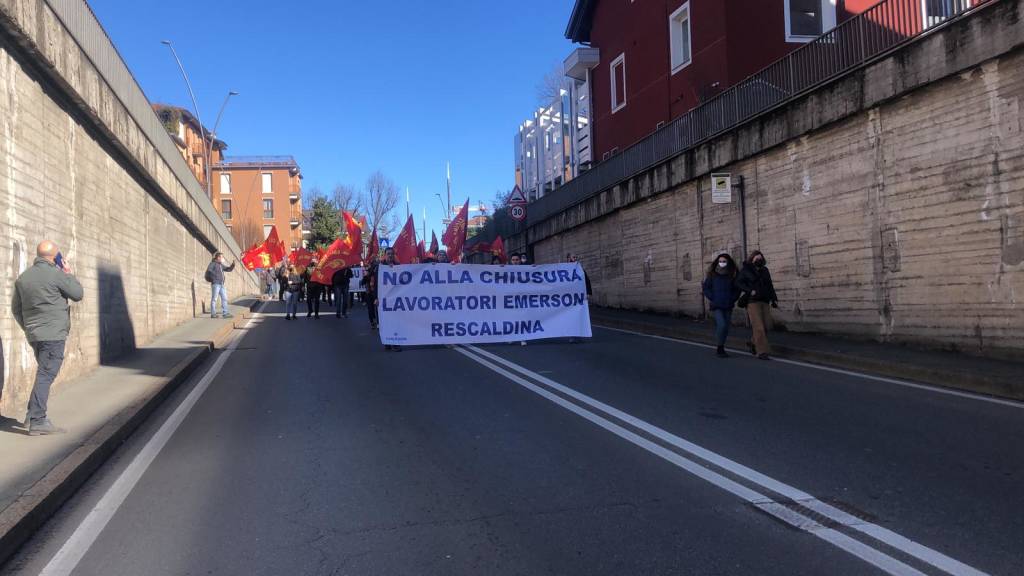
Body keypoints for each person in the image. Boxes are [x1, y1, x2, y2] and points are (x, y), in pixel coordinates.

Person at [12, 241, 84, 435]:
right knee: (46, 375)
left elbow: (16, 309)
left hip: (34, 335)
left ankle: (31, 416)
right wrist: (68, 273)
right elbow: (78, 294)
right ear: (54, 257)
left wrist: (28, 328)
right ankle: (38, 420)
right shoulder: (57, 275)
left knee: (43, 373)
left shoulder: (23, 278)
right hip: (53, 334)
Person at [736, 250, 778, 360]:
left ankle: (752, 343)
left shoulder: (765, 270)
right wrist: (750, 290)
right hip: (752, 301)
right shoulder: (746, 270)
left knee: (767, 326)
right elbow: (738, 283)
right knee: (758, 326)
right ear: (752, 259)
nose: (758, 260)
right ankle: (762, 352)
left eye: (760, 258)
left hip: (765, 300)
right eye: (756, 258)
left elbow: (770, 285)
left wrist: (774, 299)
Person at [702, 253, 741, 358]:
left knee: (726, 328)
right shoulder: (712, 274)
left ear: (728, 262)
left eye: (724, 261)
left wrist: (732, 298)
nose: (722, 263)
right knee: (721, 325)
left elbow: (737, 289)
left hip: (728, 304)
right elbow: (706, 287)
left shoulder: (732, 274)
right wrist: (712, 297)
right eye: (720, 261)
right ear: (717, 262)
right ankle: (720, 347)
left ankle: (722, 346)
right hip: (716, 304)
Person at [378, 248, 402, 352]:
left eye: (392, 254)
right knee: (385, 321)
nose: (390, 256)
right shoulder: (379, 267)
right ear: (385, 255)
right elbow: (375, 283)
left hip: (395, 299)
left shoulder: (399, 267)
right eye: (388, 254)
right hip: (383, 299)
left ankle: (395, 343)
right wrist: (375, 297)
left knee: (395, 320)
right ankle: (387, 342)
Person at [205, 252, 236, 319]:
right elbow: (209, 271)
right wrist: (215, 277)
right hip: (216, 284)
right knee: (214, 299)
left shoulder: (220, 265)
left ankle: (225, 313)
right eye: (221, 257)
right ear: (218, 257)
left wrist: (233, 265)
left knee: (224, 298)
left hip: (221, 284)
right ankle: (213, 314)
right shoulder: (213, 264)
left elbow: (228, 269)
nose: (222, 258)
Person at [363, 255, 380, 329]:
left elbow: (364, 281)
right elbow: (364, 281)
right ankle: (374, 322)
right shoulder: (369, 270)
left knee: (373, 308)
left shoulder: (376, 269)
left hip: (374, 292)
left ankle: (374, 322)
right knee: (373, 308)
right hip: (371, 291)